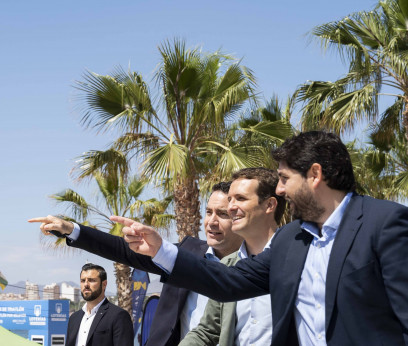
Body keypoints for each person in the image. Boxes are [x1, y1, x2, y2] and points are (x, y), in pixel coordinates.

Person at [117, 131, 408, 345]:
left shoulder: (384, 224)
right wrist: (161, 250)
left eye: (284, 179)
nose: (280, 190)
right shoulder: (290, 240)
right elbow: (228, 281)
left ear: (315, 174)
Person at [29, 182, 243, 345]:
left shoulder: (257, 268)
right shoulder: (186, 253)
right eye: (208, 212)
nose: (211, 221)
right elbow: (124, 250)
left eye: (222, 214)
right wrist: (72, 229)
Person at [180, 168, 285, 346]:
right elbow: (208, 331)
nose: (231, 207)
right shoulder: (228, 265)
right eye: (230, 200)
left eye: (240, 199)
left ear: (269, 205)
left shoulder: (297, 259)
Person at [66, 263, 133, 346]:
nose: (86, 284)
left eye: (91, 280)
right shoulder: (74, 318)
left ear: (104, 284)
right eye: (83, 280)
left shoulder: (118, 316)